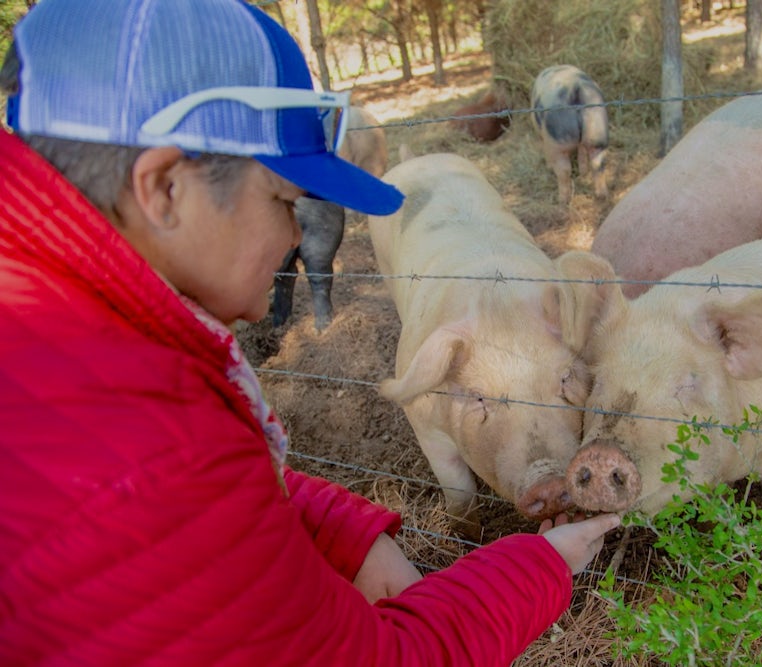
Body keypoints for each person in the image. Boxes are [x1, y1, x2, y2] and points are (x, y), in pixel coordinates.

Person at [0, 1, 621, 665]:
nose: (297, 236)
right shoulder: (145, 453)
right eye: (284, 202)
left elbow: (212, 506)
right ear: (163, 190)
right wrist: (540, 565)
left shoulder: (71, 339)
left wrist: (348, 533)